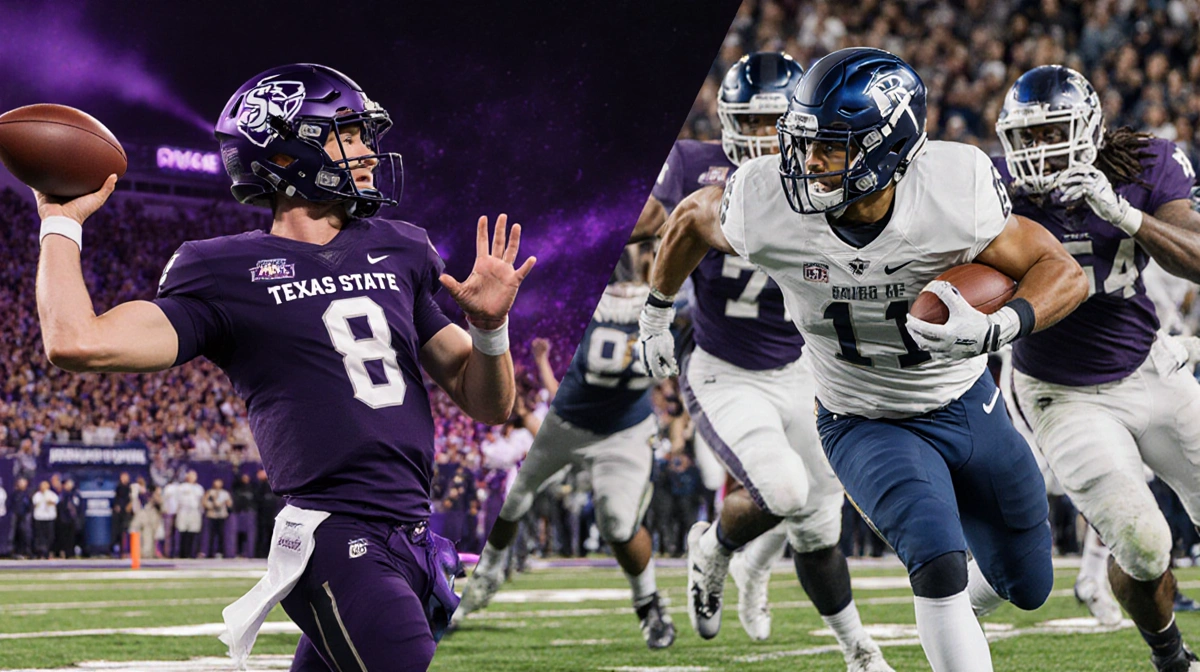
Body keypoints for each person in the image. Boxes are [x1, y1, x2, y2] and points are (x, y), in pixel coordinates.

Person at [33, 63, 533, 671]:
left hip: (414, 535)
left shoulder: (401, 248)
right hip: (334, 536)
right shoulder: (223, 269)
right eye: (347, 134)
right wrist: (60, 221)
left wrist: (489, 330)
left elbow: (489, 403)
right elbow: (76, 342)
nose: (369, 153)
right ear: (287, 148)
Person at [638, 47, 1089, 672]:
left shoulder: (954, 192)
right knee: (937, 561)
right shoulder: (765, 200)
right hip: (861, 416)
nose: (805, 161)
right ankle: (949, 618)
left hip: (965, 401)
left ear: (889, 148)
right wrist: (657, 309)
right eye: (803, 140)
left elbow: (1061, 270)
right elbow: (690, 219)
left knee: (1029, 584)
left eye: (830, 146)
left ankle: (962, 617)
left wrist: (997, 327)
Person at [639, 51, 892, 668]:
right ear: (724, 121)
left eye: (769, 123)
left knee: (818, 526)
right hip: (726, 368)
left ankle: (855, 648)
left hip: (807, 369)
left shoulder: (837, 169)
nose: (756, 139)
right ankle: (714, 552)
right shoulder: (697, 167)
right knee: (780, 488)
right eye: (745, 123)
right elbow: (656, 222)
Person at [994, 64, 1200, 671]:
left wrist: (1125, 215)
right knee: (1142, 542)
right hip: (1062, 392)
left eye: (1052, 130)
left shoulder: (1145, 164)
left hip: (1149, 367)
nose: (1037, 149)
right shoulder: (995, 187)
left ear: (1088, 127)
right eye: (1025, 137)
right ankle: (1172, 658)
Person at [453, 249, 675, 650]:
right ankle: (488, 573)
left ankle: (649, 603)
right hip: (563, 422)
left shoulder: (668, 300)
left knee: (617, 522)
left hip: (623, 429)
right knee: (513, 497)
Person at [175, 471, 205, 559]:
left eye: (194, 476)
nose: (192, 477)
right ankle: (182, 553)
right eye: (191, 475)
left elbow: (201, 501)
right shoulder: (181, 487)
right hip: (183, 510)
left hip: (194, 511)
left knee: (193, 531)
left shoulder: (199, 488)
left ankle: (192, 553)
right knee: (183, 531)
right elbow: (177, 499)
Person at [204, 478, 232, 558]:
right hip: (212, 515)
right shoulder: (210, 492)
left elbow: (229, 504)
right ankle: (209, 552)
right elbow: (205, 502)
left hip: (221, 516)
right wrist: (212, 505)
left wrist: (225, 504)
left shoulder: (225, 493)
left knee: (221, 535)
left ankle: (220, 552)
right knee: (211, 535)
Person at [31, 480, 58, 559]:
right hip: (39, 518)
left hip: (49, 518)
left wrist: (49, 500)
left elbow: (55, 501)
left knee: (49, 536)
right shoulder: (37, 495)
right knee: (40, 537)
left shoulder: (51, 494)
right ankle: (40, 553)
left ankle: (48, 552)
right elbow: (35, 503)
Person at [55, 479, 81, 559]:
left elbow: (79, 506)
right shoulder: (61, 494)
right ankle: (62, 552)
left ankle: (71, 553)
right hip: (62, 519)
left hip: (72, 519)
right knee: (63, 537)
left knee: (72, 537)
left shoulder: (75, 494)